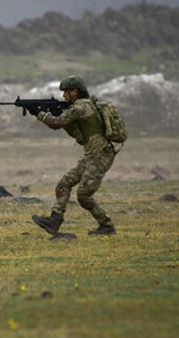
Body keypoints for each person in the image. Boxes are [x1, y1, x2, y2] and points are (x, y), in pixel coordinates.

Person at [31, 76, 117, 236]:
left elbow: (56, 123)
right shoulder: (83, 105)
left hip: (100, 156)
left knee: (83, 195)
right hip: (92, 155)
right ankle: (54, 221)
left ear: (75, 91)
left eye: (66, 93)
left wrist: (40, 114)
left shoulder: (81, 107)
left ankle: (107, 225)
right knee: (64, 184)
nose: (63, 96)